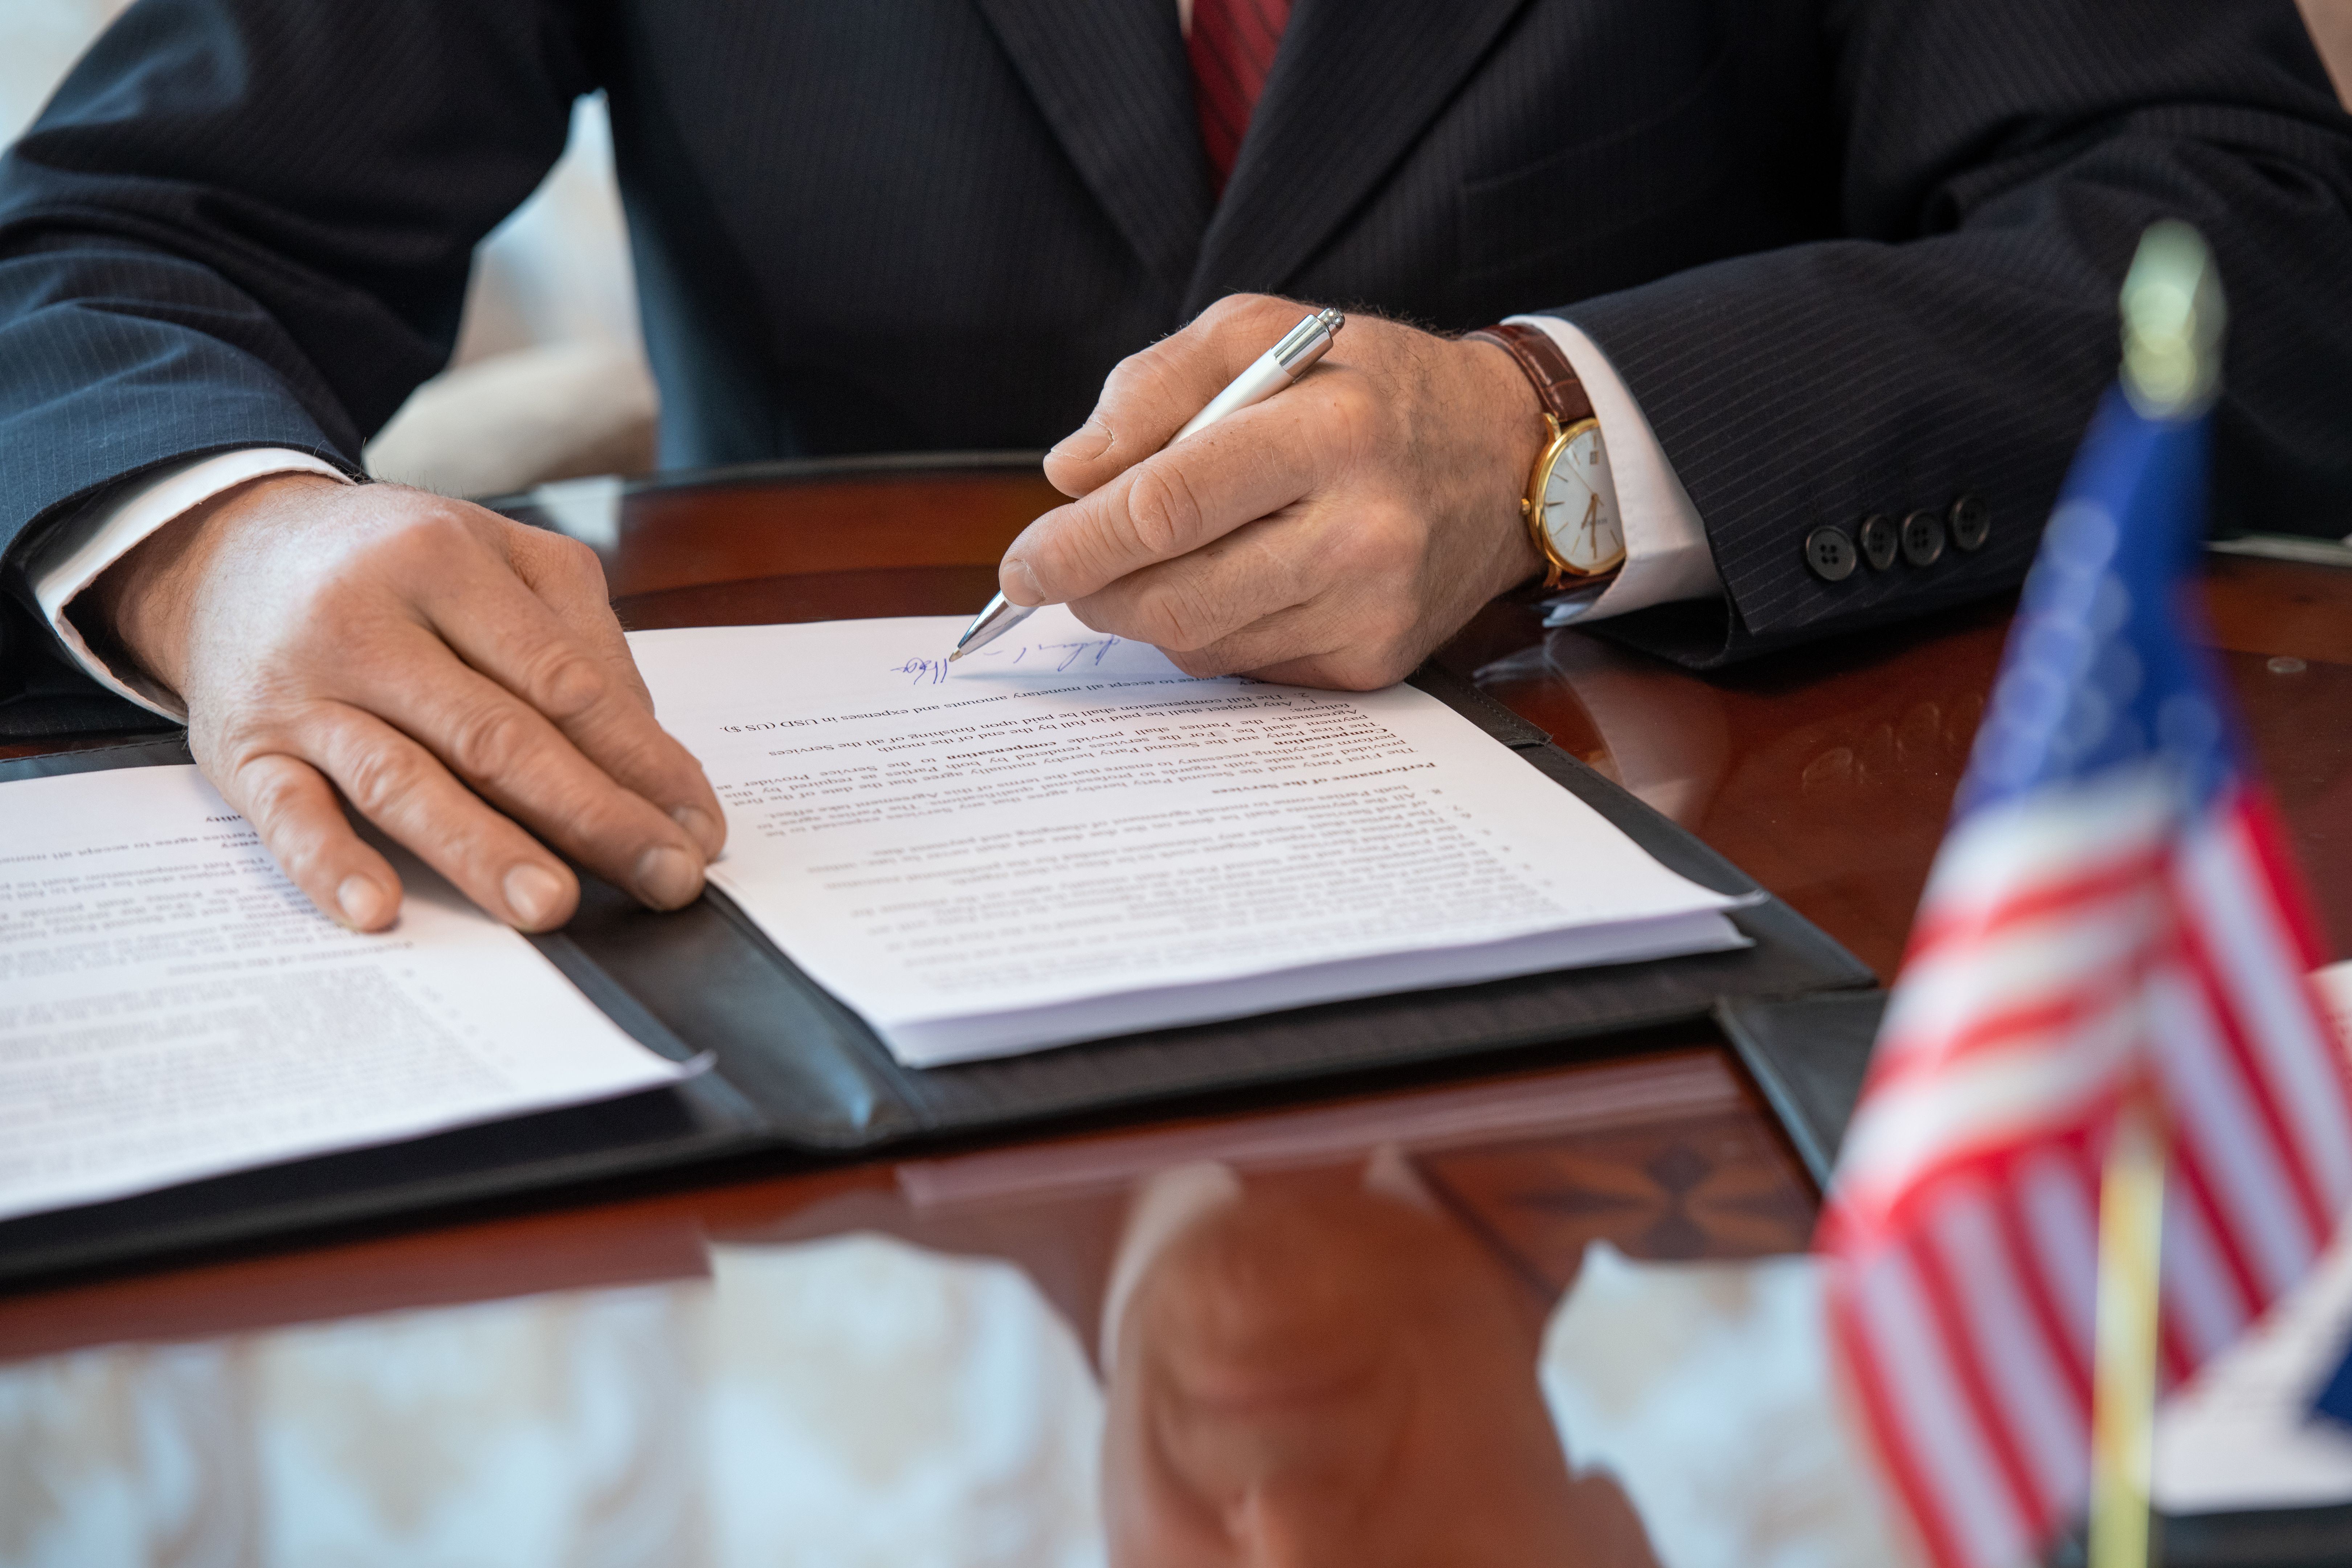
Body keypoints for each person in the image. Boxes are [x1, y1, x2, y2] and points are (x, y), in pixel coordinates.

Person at [1, 0, 2345, 935]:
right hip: (798, 924)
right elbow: (108, 237)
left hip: (1707, 902)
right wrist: (224, 538)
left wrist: (1564, 443)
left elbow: (2245, 243)